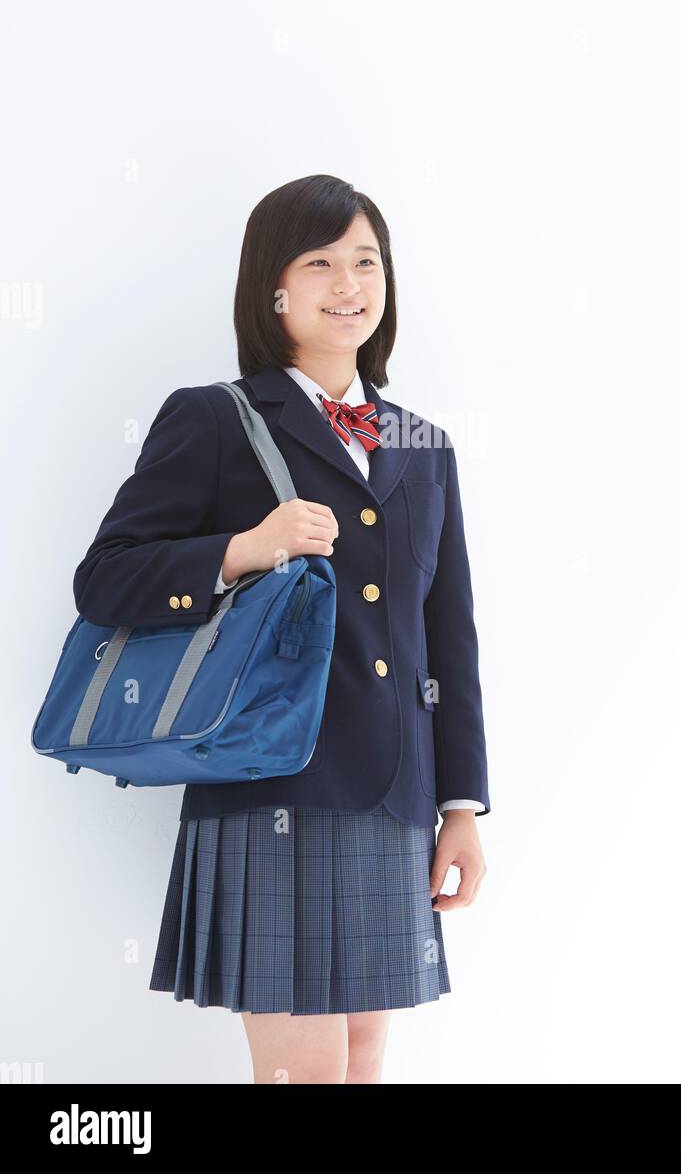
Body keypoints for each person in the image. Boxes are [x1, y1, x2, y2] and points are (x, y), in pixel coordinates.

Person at [72, 173, 491, 1083]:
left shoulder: (422, 445)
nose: (349, 284)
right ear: (273, 288)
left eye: (366, 262)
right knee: (305, 1069)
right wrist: (245, 548)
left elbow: (447, 637)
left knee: (363, 1058)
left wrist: (461, 805)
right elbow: (103, 581)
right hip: (274, 790)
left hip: (398, 794)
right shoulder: (215, 419)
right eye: (320, 263)